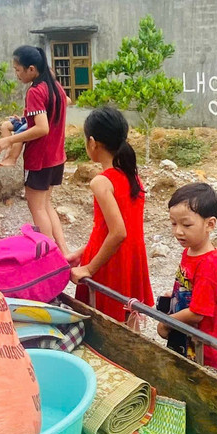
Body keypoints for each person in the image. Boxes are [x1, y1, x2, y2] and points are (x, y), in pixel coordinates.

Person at [66, 105, 153, 324]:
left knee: (105, 322)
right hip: (127, 260)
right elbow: (115, 229)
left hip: (110, 264)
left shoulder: (102, 182)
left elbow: (118, 232)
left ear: (92, 142)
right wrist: (82, 253)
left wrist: (89, 267)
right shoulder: (132, 176)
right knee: (127, 320)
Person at [0, 45, 70, 254]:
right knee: (46, 205)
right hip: (56, 157)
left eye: (18, 69)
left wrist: (9, 141)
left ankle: (48, 254)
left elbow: (42, 128)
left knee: (37, 207)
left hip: (41, 158)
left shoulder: (36, 91)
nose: (16, 74)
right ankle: (62, 251)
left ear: (32, 69)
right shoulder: (56, 87)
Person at [157, 182, 217, 369]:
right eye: (173, 223)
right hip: (186, 337)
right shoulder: (189, 251)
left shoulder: (208, 264)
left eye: (186, 224)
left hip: (201, 348)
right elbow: (189, 287)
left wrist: (167, 323)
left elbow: (198, 313)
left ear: (210, 224)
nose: (178, 231)